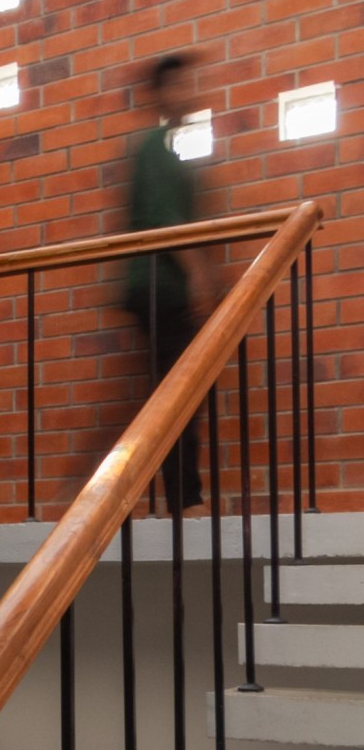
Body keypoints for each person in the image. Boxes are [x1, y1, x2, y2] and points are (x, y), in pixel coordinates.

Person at [122, 54, 219, 513]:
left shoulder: (165, 149)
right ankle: (185, 500)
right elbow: (165, 220)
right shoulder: (153, 148)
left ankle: (183, 497)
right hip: (160, 287)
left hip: (162, 288)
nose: (188, 93)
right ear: (160, 94)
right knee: (180, 393)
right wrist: (199, 274)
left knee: (179, 391)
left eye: (189, 84)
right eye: (178, 86)